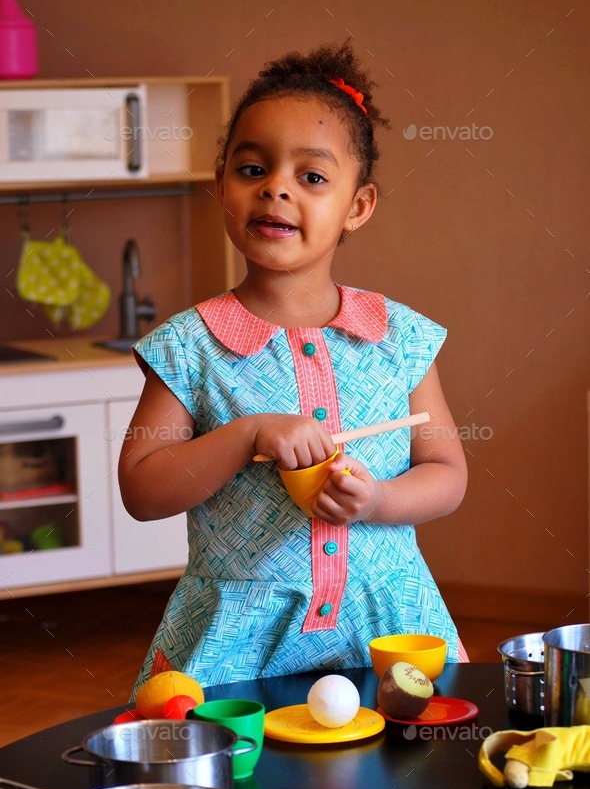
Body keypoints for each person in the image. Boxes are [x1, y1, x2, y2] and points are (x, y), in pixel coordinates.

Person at [120, 41, 469, 692]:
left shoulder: (398, 337)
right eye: (252, 168)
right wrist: (245, 434)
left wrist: (381, 498)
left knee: (407, 776)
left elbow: (448, 472)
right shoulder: (189, 346)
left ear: (357, 206)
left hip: (385, 623)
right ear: (220, 182)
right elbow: (142, 488)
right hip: (237, 636)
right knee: (237, 780)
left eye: (311, 176)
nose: (275, 186)